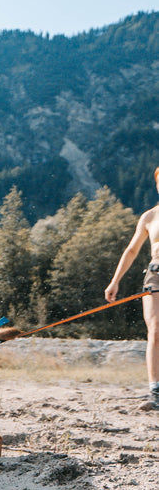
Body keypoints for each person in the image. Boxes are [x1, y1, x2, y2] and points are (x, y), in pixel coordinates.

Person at [105, 166, 159, 410]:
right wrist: (115, 281)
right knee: (156, 330)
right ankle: (156, 389)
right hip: (155, 276)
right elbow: (132, 250)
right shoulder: (149, 217)